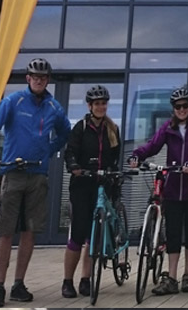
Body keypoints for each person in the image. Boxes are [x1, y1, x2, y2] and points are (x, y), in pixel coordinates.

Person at [0, 58, 71, 308]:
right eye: (35, 76)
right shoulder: (13, 101)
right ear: (28, 78)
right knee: (5, 231)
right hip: (12, 172)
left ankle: (18, 283)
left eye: (43, 77)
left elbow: (65, 132)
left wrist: (48, 150)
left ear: (48, 80)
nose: (39, 80)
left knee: (30, 231)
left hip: (38, 174)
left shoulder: (54, 107)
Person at [129, 86, 188, 295]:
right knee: (173, 234)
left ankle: (187, 275)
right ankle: (172, 277)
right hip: (173, 189)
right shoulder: (167, 128)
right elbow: (152, 146)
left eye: (184, 106)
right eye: (177, 106)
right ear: (173, 109)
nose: (181, 109)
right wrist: (137, 155)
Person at [62, 85, 121, 298]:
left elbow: (116, 157)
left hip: (102, 184)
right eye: (97, 103)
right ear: (89, 106)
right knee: (78, 233)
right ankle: (67, 280)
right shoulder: (81, 127)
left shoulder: (112, 129)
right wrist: (74, 166)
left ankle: (86, 279)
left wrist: (114, 173)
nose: (101, 107)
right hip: (82, 185)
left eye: (103, 103)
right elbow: (70, 151)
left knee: (94, 235)